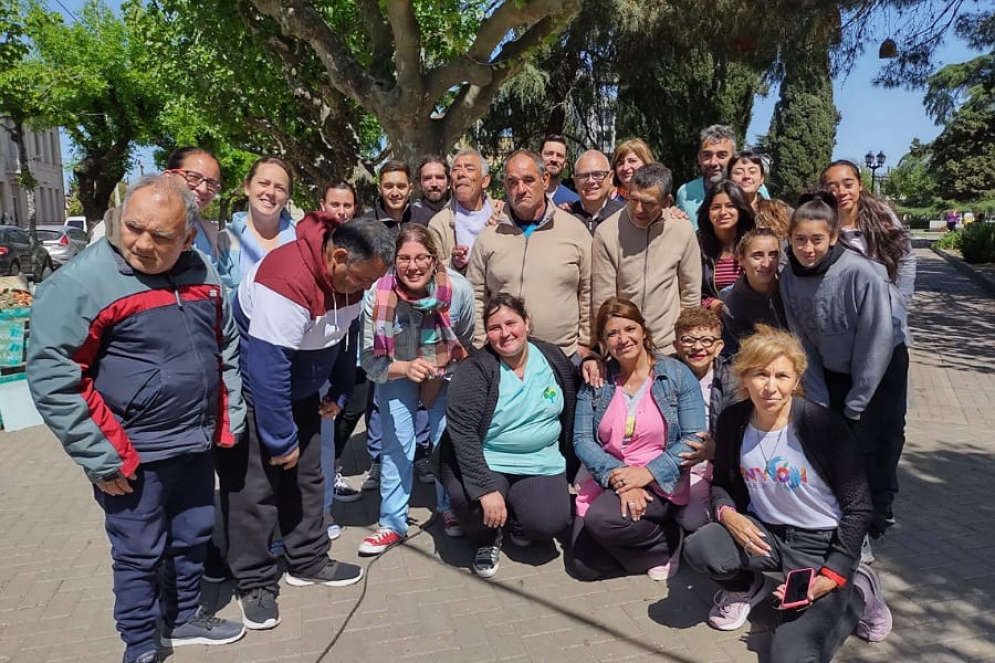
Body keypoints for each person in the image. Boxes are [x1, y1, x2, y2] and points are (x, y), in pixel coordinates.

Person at [27, 175, 247, 663]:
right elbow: (53, 378)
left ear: (188, 238)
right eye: (133, 227)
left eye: (161, 236)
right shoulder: (80, 284)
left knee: (192, 537)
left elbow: (224, 345)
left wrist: (228, 415)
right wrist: (102, 457)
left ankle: (184, 615)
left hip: (194, 441)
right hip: (130, 456)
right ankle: (141, 644)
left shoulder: (202, 271)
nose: (142, 243)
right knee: (139, 555)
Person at [216, 215, 393, 632]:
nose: (365, 290)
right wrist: (280, 438)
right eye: (362, 280)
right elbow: (267, 368)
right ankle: (255, 581)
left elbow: (345, 338)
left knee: (310, 478)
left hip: (306, 392)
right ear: (339, 256)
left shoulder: (351, 279)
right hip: (260, 394)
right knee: (255, 492)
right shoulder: (286, 278)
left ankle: (308, 559)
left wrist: (342, 389)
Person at [683, 326, 892, 660]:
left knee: (791, 656)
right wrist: (728, 514)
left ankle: (854, 595)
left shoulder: (822, 425)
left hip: (822, 545)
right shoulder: (733, 420)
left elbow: (859, 508)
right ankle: (749, 587)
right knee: (701, 546)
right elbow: (721, 481)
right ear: (744, 377)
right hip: (765, 533)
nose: (770, 387)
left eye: (782, 376)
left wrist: (832, 573)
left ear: (796, 381)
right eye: (760, 374)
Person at [779, 192, 909, 561]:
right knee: (832, 443)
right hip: (831, 369)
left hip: (878, 368)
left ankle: (871, 518)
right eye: (800, 239)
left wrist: (857, 402)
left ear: (834, 237)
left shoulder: (860, 273)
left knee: (867, 445)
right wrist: (819, 393)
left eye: (817, 239)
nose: (808, 248)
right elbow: (801, 339)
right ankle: (842, 516)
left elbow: (876, 339)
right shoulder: (789, 277)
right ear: (790, 237)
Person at [436, 294, 575, 578]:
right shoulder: (475, 369)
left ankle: (516, 522)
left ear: (527, 322)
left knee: (549, 522)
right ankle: (487, 539)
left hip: (540, 459)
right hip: (488, 459)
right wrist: (485, 490)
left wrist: (592, 363)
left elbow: (577, 391)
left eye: (511, 323)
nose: (505, 333)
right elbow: (461, 433)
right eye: (495, 327)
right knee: (474, 507)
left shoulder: (552, 357)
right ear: (487, 333)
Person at [357, 225, 475, 555]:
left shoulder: (459, 290)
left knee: (444, 439)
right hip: (394, 370)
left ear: (434, 258)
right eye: (404, 258)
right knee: (397, 444)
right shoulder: (377, 292)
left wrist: (435, 379)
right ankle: (392, 522)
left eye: (421, 257)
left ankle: (449, 506)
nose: (413, 266)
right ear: (394, 261)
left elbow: (463, 342)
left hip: (444, 371)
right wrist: (406, 369)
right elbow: (368, 357)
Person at [570, 298, 706, 581]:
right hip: (609, 475)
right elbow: (582, 439)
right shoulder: (598, 379)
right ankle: (648, 547)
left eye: (629, 329)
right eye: (612, 334)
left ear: (643, 330)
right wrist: (621, 478)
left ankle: (665, 541)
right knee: (583, 567)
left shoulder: (677, 375)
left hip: (660, 479)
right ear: (603, 341)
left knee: (601, 520)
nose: (622, 339)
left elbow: (694, 438)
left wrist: (645, 473)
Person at [468, 149, 593, 360]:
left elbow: (590, 290)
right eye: (512, 182)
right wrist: (482, 345)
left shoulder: (574, 231)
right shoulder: (489, 237)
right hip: (503, 357)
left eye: (528, 180)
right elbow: (476, 296)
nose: (521, 189)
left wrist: (586, 342)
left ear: (545, 180)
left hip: (563, 355)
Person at [592, 162, 701, 349]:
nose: (638, 209)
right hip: (623, 346)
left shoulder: (682, 230)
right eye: (633, 200)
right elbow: (604, 300)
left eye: (649, 203)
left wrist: (685, 339)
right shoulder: (607, 232)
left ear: (666, 202)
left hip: (669, 347)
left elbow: (690, 293)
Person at [670, 308, 741, 532]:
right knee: (693, 520)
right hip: (686, 463)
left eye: (707, 340)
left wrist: (717, 451)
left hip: (724, 461)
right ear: (676, 345)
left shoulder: (734, 378)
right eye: (688, 340)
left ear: (719, 346)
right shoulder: (665, 372)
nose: (698, 347)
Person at [820, 160, 916, 311]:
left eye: (848, 184)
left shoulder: (882, 216)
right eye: (833, 188)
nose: (842, 192)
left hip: (886, 307)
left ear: (860, 184)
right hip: (842, 311)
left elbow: (905, 256)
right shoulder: (821, 224)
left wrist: (901, 301)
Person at [89, 147, 225, 253]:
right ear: (167, 176)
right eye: (193, 177)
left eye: (212, 183)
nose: (203, 189)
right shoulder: (113, 228)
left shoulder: (210, 234)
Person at [217, 156, 297, 294]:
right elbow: (222, 299)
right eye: (263, 183)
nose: (270, 192)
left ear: (288, 197)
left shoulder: (301, 239)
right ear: (247, 187)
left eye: (280, 188)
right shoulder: (225, 240)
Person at [675, 125, 770, 227]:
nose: (713, 162)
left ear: (733, 158)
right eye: (707, 155)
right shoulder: (686, 192)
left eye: (721, 155)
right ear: (699, 158)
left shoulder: (754, 189)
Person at [721, 227, 787, 354]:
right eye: (757, 256)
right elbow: (753, 353)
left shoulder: (792, 285)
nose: (766, 263)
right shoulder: (733, 307)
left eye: (773, 255)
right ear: (741, 259)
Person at [428, 149, 494, 272]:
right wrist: (453, 263)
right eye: (456, 169)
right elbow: (431, 270)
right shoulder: (439, 224)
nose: (461, 174)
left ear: (485, 181)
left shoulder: (501, 213)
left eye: (469, 169)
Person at [697, 180, 756, 313]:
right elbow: (688, 290)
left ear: (740, 210)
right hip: (712, 323)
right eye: (716, 207)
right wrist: (711, 304)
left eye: (730, 206)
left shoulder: (755, 243)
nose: (723, 212)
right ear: (707, 212)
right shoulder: (697, 246)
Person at [728, 151, 790, 239]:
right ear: (729, 179)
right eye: (738, 172)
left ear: (762, 179)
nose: (746, 176)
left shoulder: (778, 210)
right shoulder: (724, 213)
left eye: (752, 172)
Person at [568, 149, 625, 234]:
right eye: (583, 176)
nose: (590, 181)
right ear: (575, 181)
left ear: (610, 177)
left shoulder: (624, 216)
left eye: (598, 175)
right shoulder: (565, 218)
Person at [360, 159, 414, 229]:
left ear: (410, 189)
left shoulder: (425, 219)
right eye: (389, 187)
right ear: (379, 189)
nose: (395, 193)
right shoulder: (364, 225)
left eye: (401, 186)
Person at [409, 155, 451, 225]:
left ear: (449, 183)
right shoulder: (410, 218)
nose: (434, 184)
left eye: (439, 177)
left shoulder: (460, 214)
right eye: (427, 178)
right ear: (419, 184)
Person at [541, 134, 581, 206]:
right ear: (539, 157)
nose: (554, 159)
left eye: (559, 156)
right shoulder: (524, 195)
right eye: (549, 154)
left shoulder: (575, 202)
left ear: (565, 162)